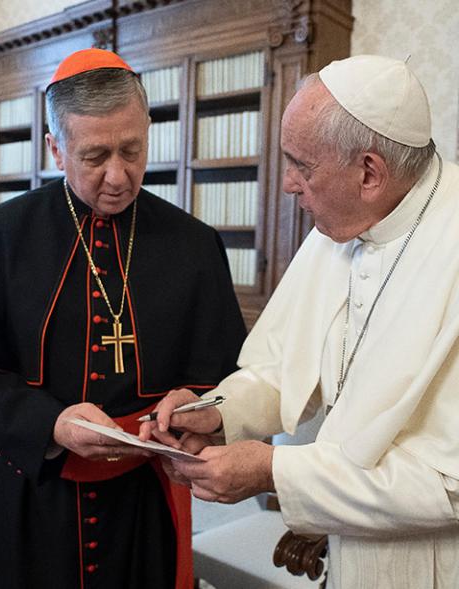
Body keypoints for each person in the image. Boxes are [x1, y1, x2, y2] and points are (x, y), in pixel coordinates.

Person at [140, 55, 459, 588]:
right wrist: (216, 412)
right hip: (347, 551)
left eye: (302, 166)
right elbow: (282, 366)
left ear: (369, 172)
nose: (287, 184)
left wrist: (273, 472)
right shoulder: (342, 222)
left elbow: (448, 485)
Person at [0, 48, 246, 589]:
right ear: (56, 149)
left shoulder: (194, 245)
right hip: (31, 497)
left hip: (144, 501)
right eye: (96, 155)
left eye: (133, 149)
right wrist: (49, 424)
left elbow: (226, 373)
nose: (119, 176)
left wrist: (195, 405)